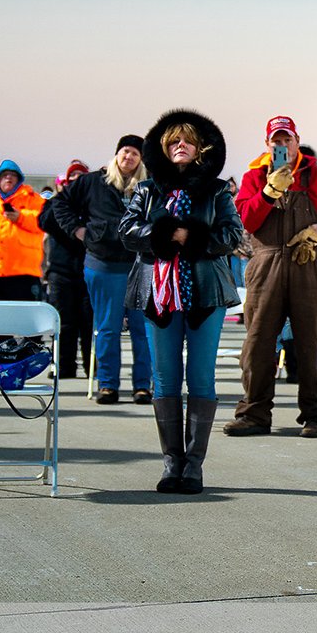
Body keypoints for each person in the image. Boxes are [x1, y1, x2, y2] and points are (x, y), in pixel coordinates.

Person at [119, 110, 242, 494]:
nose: (181, 146)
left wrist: (196, 237)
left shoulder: (219, 190)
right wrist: (162, 233)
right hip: (157, 296)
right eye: (173, 142)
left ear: (201, 148)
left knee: (201, 376)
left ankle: (195, 465)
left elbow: (232, 233)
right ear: (163, 148)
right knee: (165, 377)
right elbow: (126, 231)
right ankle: (172, 462)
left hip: (206, 293)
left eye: (187, 141)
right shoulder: (145, 190)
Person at [224, 115, 317, 438]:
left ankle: (315, 416)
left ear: (297, 141)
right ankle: (254, 414)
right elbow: (246, 218)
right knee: (257, 342)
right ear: (268, 144)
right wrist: (270, 192)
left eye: (287, 139)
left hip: (310, 265)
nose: (282, 145)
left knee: (312, 341)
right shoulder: (254, 177)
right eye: (276, 140)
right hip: (265, 265)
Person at [53, 135, 154, 404]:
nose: (128, 157)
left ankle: (143, 385)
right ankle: (107, 384)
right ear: (117, 154)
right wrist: (78, 229)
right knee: (107, 328)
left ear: (141, 158)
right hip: (103, 264)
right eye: (125, 151)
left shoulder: (150, 184)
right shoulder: (93, 181)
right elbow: (59, 204)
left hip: (142, 265)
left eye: (135, 153)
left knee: (142, 330)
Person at [38, 159, 92, 379]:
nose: (76, 180)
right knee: (64, 322)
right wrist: (63, 195)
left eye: (81, 176)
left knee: (89, 323)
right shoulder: (57, 202)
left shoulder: (93, 201)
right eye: (72, 177)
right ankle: (64, 366)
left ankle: (92, 367)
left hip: (89, 270)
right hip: (61, 271)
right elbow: (44, 222)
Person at [0, 159, 45, 301]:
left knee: (22, 318)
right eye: (4, 175)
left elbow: (44, 223)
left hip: (23, 271)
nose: (8, 178)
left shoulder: (35, 201)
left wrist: (21, 217)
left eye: (13, 175)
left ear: (19, 180)